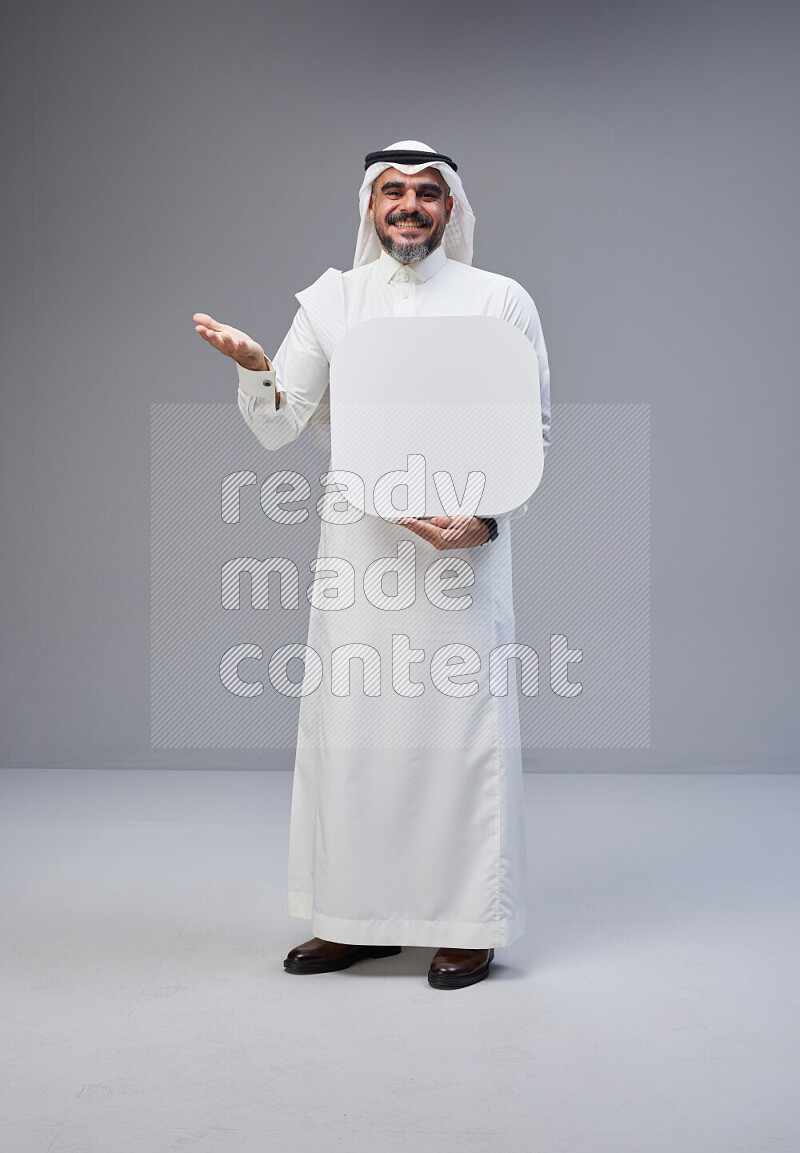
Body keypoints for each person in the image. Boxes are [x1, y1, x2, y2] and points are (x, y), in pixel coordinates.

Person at [193, 140, 551, 989]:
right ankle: (355, 919)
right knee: (356, 737)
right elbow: (282, 423)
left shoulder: (501, 301)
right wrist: (255, 372)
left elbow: (532, 433)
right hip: (360, 555)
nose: (410, 206)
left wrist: (485, 520)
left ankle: (469, 922)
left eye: (428, 193)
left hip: (462, 555)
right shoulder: (332, 302)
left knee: (459, 738)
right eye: (393, 192)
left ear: (452, 207)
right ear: (368, 205)